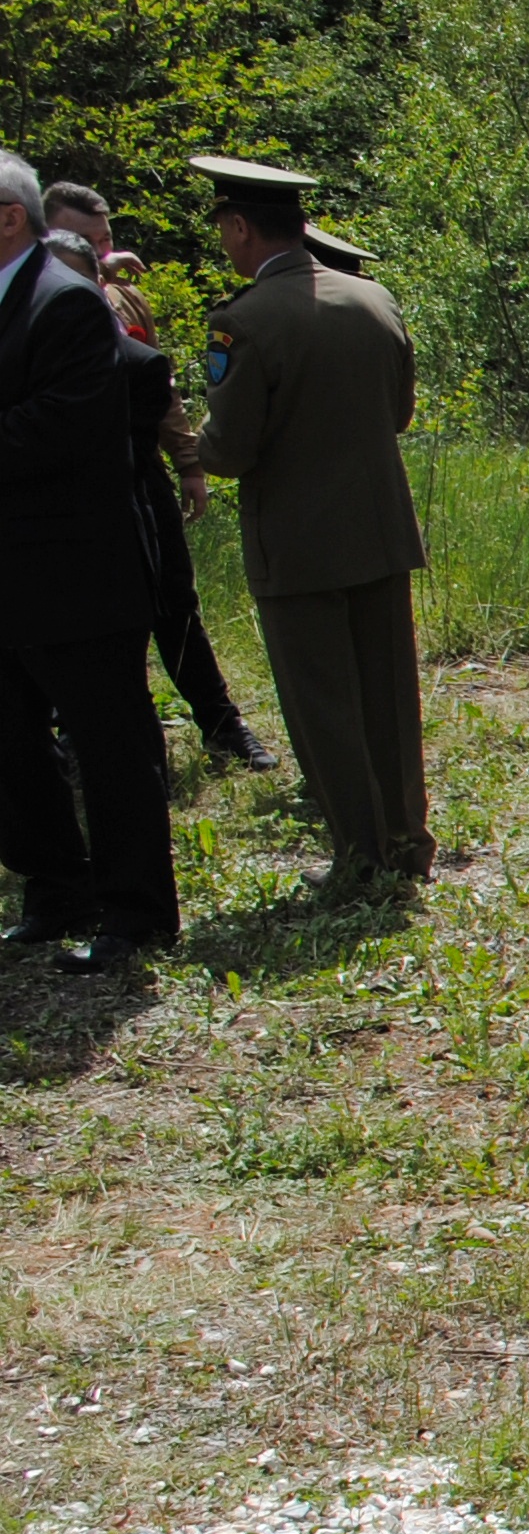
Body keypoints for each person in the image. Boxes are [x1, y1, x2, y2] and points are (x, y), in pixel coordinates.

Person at [190, 153, 435, 894]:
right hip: (379, 530)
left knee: (323, 703)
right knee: (388, 693)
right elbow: (398, 413)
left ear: (239, 227)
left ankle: (359, 855)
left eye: (226, 230)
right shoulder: (374, 298)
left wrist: (188, 439)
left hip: (296, 543)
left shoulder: (242, 322)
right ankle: (404, 838)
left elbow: (230, 453)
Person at [0, 153, 180, 972]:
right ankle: (55, 888)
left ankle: (134, 912)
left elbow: (61, 428)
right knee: (12, 740)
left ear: (10, 217)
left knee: (109, 746)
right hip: (15, 568)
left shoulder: (65, 300)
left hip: (75, 570)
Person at [39, 181, 274, 775]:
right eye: (85, 242)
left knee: (176, 599)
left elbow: (161, 390)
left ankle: (222, 725)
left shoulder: (126, 302)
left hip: (140, 473)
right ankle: (78, 736)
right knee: (81, 617)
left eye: (105, 239)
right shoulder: (30, 314)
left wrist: (189, 463)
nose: (101, 254)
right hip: (67, 487)